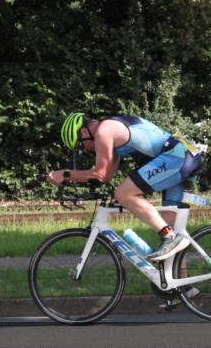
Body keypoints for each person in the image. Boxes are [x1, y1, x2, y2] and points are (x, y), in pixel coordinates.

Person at [46, 112, 202, 261]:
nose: (84, 150)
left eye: (80, 145)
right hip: (183, 155)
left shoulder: (103, 131)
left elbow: (100, 174)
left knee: (123, 194)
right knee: (171, 242)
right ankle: (178, 278)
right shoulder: (111, 130)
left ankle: (170, 236)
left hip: (176, 157)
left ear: (84, 132)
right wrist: (73, 179)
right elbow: (106, 176)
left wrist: (65, 174)